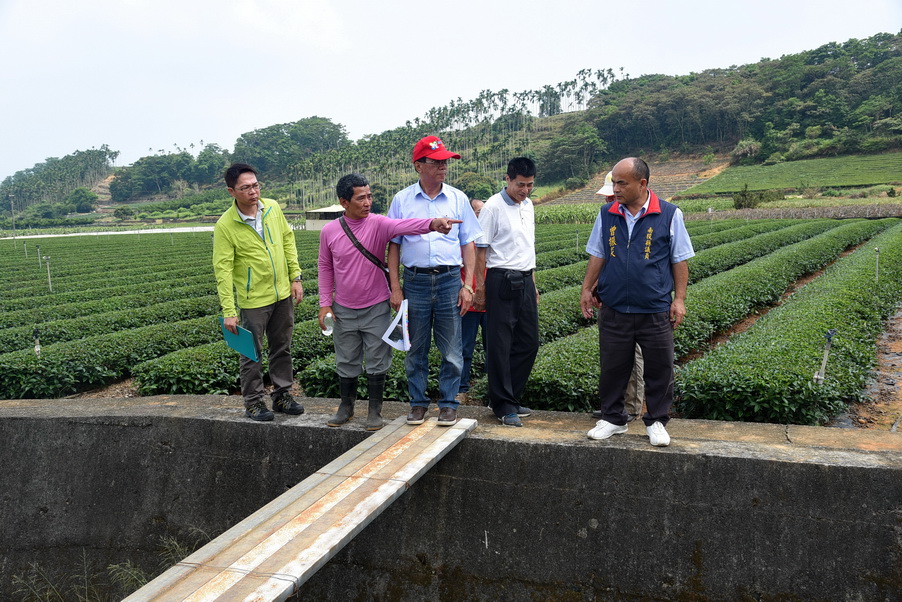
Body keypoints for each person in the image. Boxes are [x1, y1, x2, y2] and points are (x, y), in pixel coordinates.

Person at [318, 173, 459, 431]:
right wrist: (325, 303)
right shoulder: (329, 231)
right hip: (344, 308)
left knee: (377, 359)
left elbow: (407, 226)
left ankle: (374, 411)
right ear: (344, 202)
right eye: (361, 198)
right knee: (346, 359)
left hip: (376, 305)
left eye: (369, 196)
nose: (368, 202)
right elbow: (325, 266)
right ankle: (346, 407)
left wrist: (434, 223)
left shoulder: (379, 224)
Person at [580, 158, 695, 446]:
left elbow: (679, 259)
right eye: (614, 183)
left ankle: (656, 420)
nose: (615, 189)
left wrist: (678, 299)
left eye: (621, 183)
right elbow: (598, 253)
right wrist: (586, 288)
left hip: (654, 307)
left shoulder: (669, 214)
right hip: (615, 306)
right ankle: (613, 419)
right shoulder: (607, 214)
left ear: (642, 184)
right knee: (613, 366)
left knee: (660, 368)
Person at [387, 136, 482, 427]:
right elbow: (393, 245)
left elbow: (469, 244)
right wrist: (395, 286)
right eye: (436, 162)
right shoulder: (402, 200)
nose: (443, 167)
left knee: (452, 349)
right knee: (415, 349)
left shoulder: (458, 198)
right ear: (419, 166)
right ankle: (417, 404)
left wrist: (468, 286)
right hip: (414, 280)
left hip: (449, 280)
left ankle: (448, 404)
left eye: (445, 162)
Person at [213, 163, 305, 421]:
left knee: (282, 347)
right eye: (245, 188)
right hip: (253, 301)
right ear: (232, 191)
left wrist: (295, 277)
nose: (253, 192)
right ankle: (253, 402)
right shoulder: (225, 226)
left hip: (282, 294)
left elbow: (288, 240)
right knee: (251, 353)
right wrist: (229, 311)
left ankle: (282, 395)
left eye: (255, 185)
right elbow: (223, 270)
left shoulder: (273, 208)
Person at [473, 158, 540, 427]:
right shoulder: (493, 207)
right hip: (500, 279)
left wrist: (532, 283)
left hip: (524, 279)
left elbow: (528, 247)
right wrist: (479, 288)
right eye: (521, 185)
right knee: (500, 345)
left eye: (530, 185)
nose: (525, 190)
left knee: (529, 342)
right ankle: (502, 405)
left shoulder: (529, 205)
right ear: (507, 179)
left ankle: (508, 396)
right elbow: (481, 251)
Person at [591, 171, 645, 423]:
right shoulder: (608, 216)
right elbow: (601, 255)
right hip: (611, 298)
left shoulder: (640, 220)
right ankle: (613, 407)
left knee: (631, 356)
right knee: (613, 356)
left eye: (612, 196)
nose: (609, 201)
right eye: (607, 196)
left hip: (636, 302)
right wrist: (593, 286)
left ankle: (631, 407)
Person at [457, 199, 487, 404]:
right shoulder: (463, 240)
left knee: (494, 348)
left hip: (490, 303)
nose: (481, 216)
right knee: (464, 348)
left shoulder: (492, 237)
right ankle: (461, 388)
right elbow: (455, 272)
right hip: (468, 303)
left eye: (484, 212)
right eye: (477, 212)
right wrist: (469, 291)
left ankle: (491, 389)